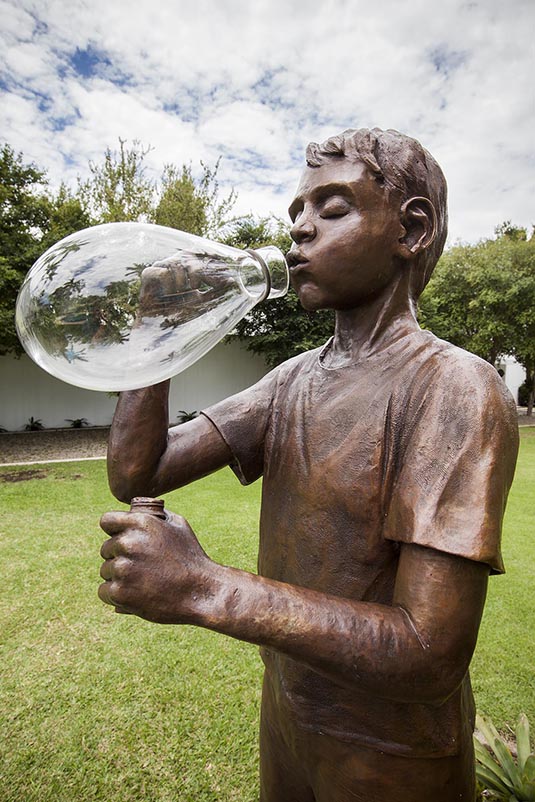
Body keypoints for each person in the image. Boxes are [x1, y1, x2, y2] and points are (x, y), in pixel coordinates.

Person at [99, 127, 519, 802]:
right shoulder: (293, 379)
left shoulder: (451, 388)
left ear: (410, 229)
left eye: (331, 208)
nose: (299, 231)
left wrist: (203, 586)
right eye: (295, 213)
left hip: (392, 752)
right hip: (291, 715)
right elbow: (139, 472)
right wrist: (158, 336)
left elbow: (427, 653)